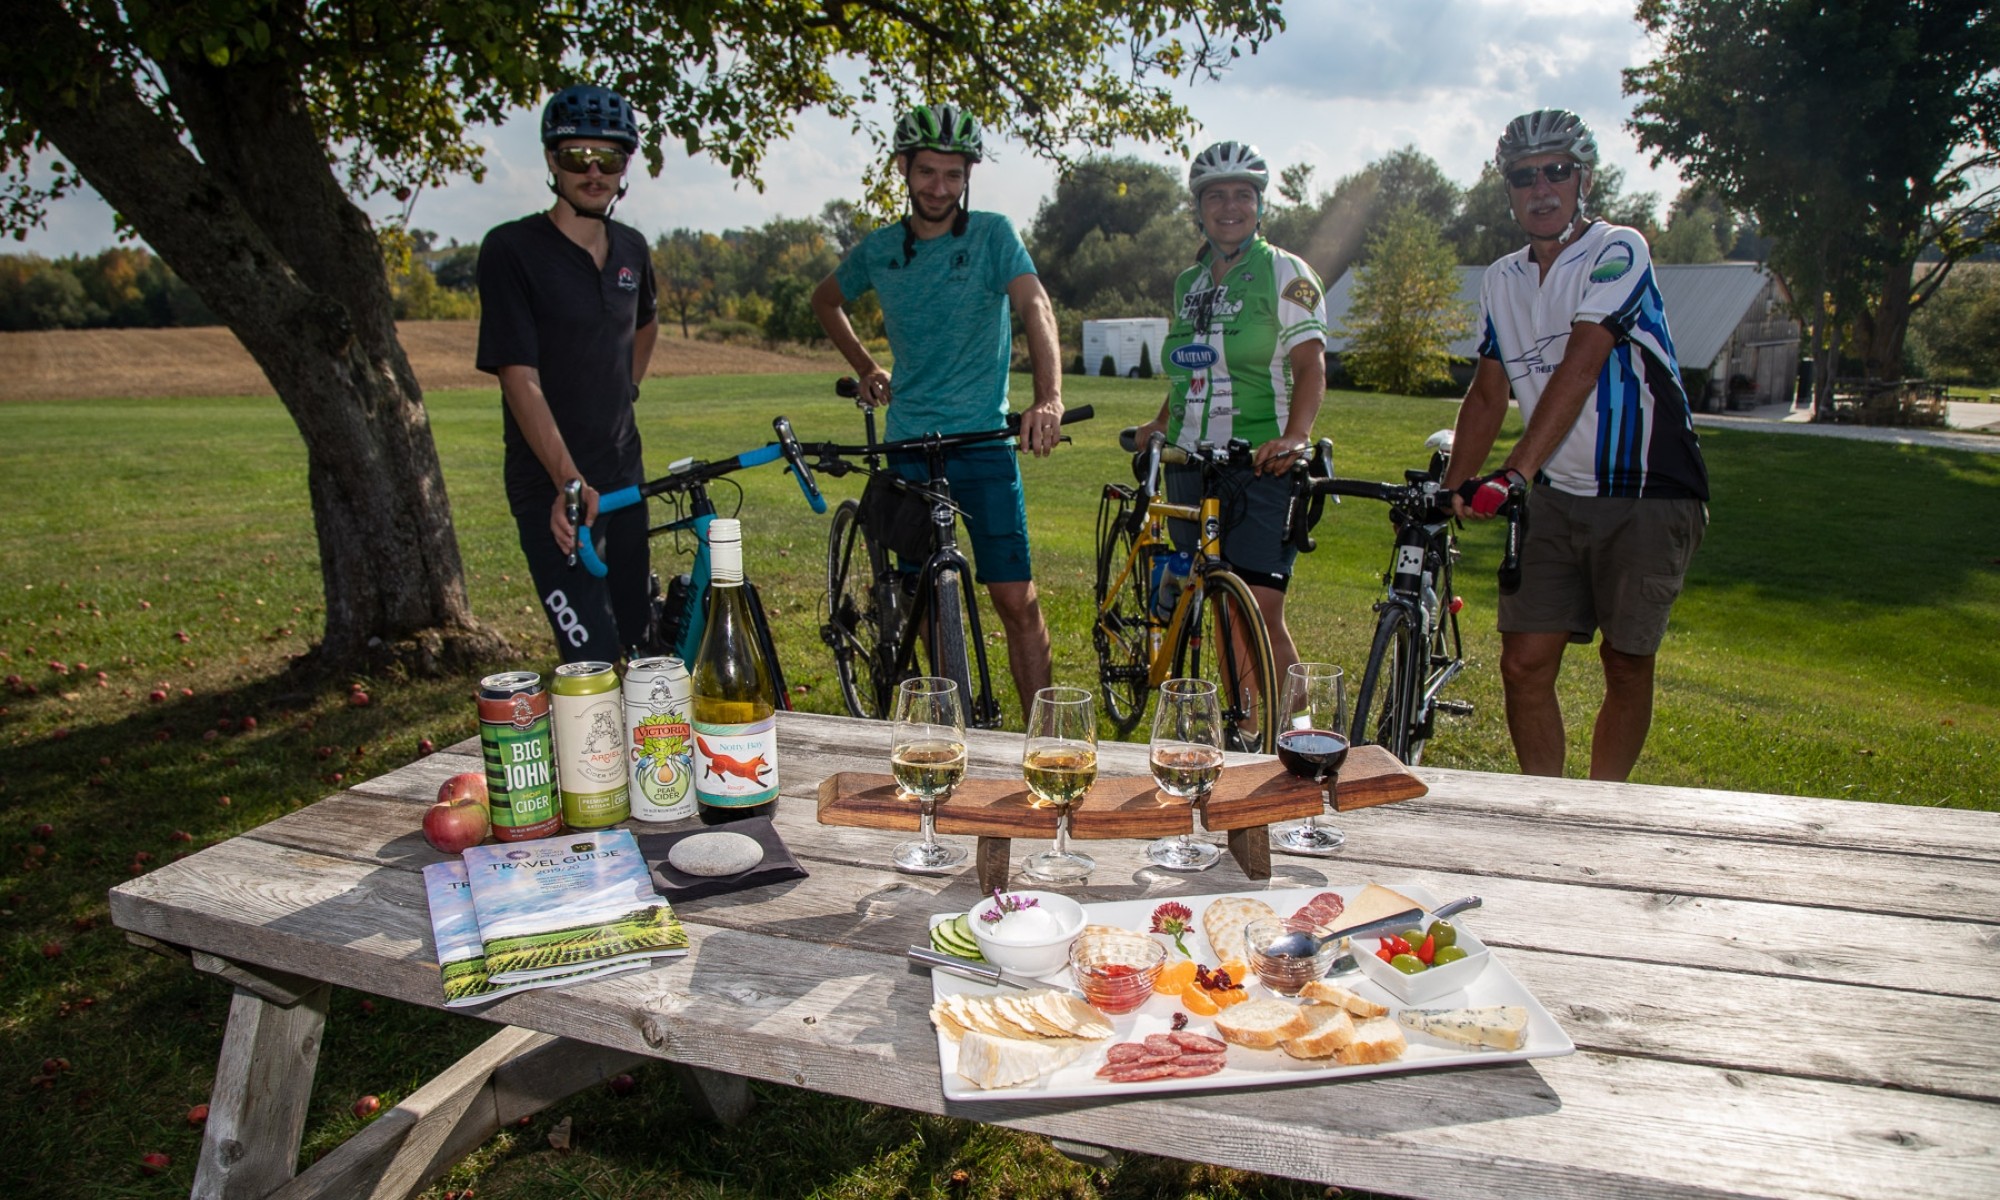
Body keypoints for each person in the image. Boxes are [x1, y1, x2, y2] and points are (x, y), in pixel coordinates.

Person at [1443, 108, 1709, 781]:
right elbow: (1487, 390)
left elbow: (1583, 364)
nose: (1541, 188)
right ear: (1508, 190)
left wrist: (1513, 472)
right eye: (1524, 176)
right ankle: (1546, 810)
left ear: (1581, 177)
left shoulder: (1618, 248)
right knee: (1523, 661)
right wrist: (1452, 485)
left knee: (1625, 659)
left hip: (1648, 489)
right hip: (1555, 494)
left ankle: (1601, 807)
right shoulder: (1502, 279)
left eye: (1556, 171)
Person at [810, 104, 1065, 713]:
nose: (940, 188)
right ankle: (952, 727)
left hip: (981, 444)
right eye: (927, 172)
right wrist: (867, 366)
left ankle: (1045, 742)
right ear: (904, 168)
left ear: (968, 176)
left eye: (954, 175)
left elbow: (1037, 308)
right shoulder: (880, 250)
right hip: (909, 449)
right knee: (925, 590)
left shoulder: (994, 236)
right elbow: (825, 300)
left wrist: (1047, 397)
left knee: (1016, 600)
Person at [1133, 140, 1327, 693]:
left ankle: (1297, 733)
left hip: (1260, 463)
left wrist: (1296, 436)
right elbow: (1188, 373)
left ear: (1261, 205)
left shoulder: (1285, 271)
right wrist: (1159, 424)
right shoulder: (1187, 284)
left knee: (1260, 608)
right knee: (1219, 605)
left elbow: (1311, 367)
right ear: (1198, 208)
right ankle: (1243, 731)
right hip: (1190, 465)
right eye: (1215, 195)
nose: (1229, 206)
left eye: (1243, 194)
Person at [476, 85, 660, 661]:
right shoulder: (511, 249)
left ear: (625, 165)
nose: (593, 171)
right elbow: (517, 375)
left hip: (624, 477)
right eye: (577, 156)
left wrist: (624, 389)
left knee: (641, 643)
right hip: (552, 489)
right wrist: (568, 481)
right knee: (594, 660)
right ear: (551, 160)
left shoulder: (632, 247)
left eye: (608, 158)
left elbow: (646, 323)